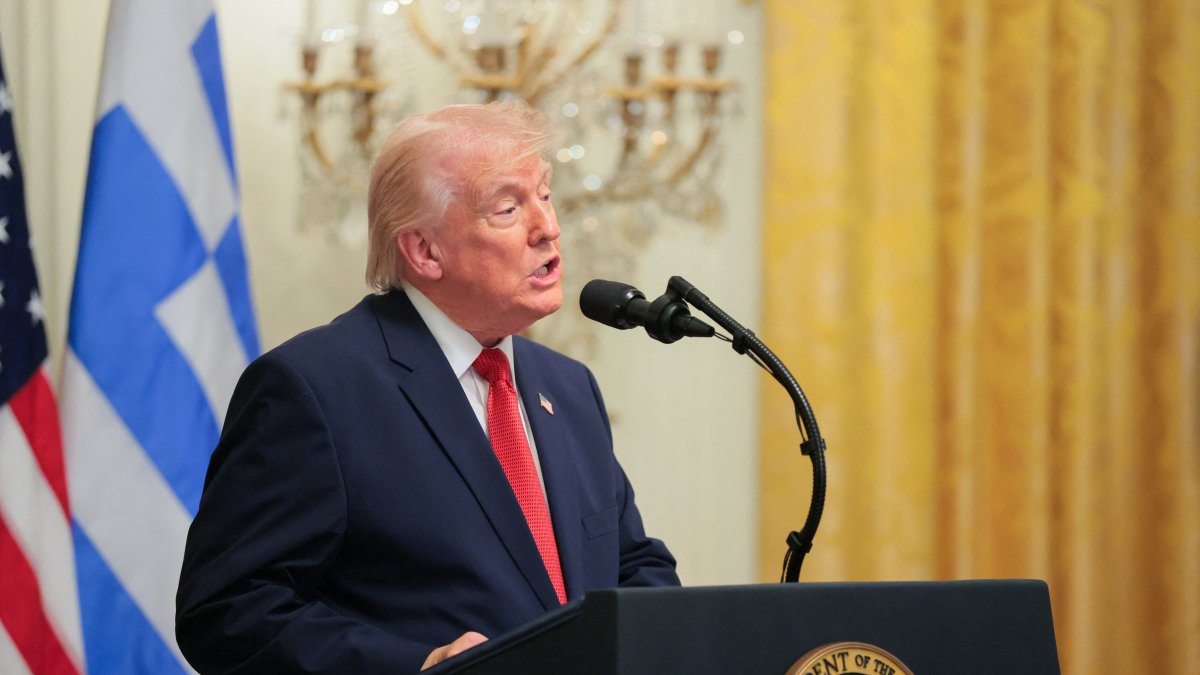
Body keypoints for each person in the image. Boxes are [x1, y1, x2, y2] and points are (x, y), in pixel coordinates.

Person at [175, 100, 679, 673]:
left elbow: (631, 563)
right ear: (424, 251)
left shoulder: (568, 387)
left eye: (545, 193)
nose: (549, 227)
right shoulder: (314, 388)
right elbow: (227, 609)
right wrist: (417, 665)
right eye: (509, 208)